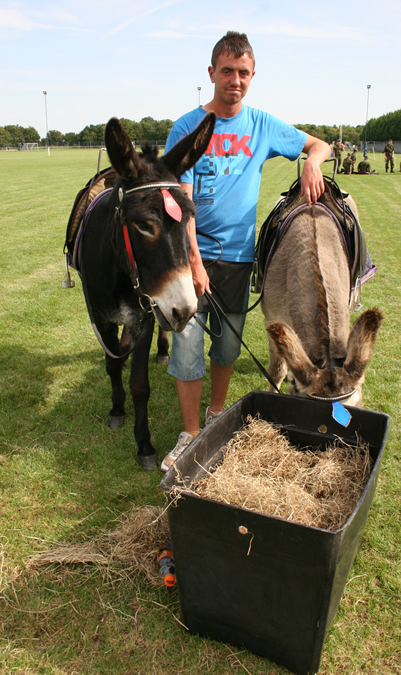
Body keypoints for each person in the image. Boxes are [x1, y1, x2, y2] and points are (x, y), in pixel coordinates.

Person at [161, 31, 331, 471]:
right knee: (186, 346)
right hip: (191, 257)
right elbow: (180, 204)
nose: (234, 79)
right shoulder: (187, 128)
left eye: (243, 72)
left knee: (227, 347)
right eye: (227, 71)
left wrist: (311, 160)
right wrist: (195, 262)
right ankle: (191, 434)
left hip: (239, 258)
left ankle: (217, 415)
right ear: (211, 73)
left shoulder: (261, 125)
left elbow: (320, 144)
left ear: (252, 76)